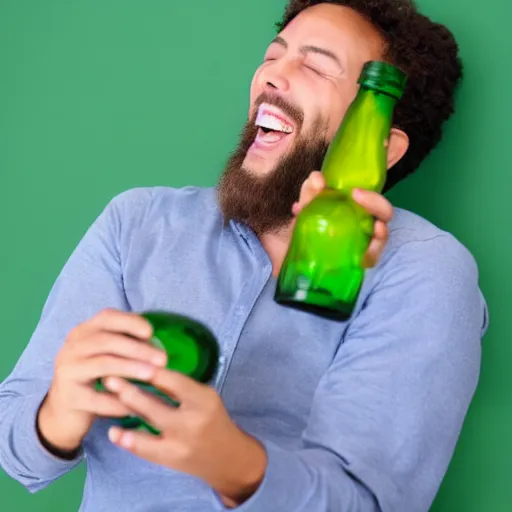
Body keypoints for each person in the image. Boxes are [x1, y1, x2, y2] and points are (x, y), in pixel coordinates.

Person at [0, 1, 488, 511]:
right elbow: (16, 449)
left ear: (382, 146)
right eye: (272, 55)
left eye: (317, 65)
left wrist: (229, 460)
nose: (273, 75)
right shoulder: (138, 222)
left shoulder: (424, 270)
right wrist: (58, 411)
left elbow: (367, 503)